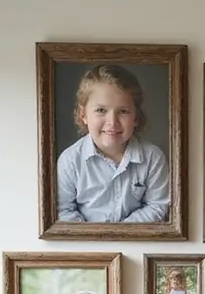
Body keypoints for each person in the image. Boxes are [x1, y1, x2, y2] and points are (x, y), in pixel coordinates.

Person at [57, 64, 170, 224]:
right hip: (86, 239)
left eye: (123, 111)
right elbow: (63, 210)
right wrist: (94, 236)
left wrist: (121, 233)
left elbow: (157, 206)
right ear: (83, 115)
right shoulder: (70, 161)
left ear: (136, 117)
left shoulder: (153, 158)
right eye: (101, 110)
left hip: (137, 238)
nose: (112, 122)